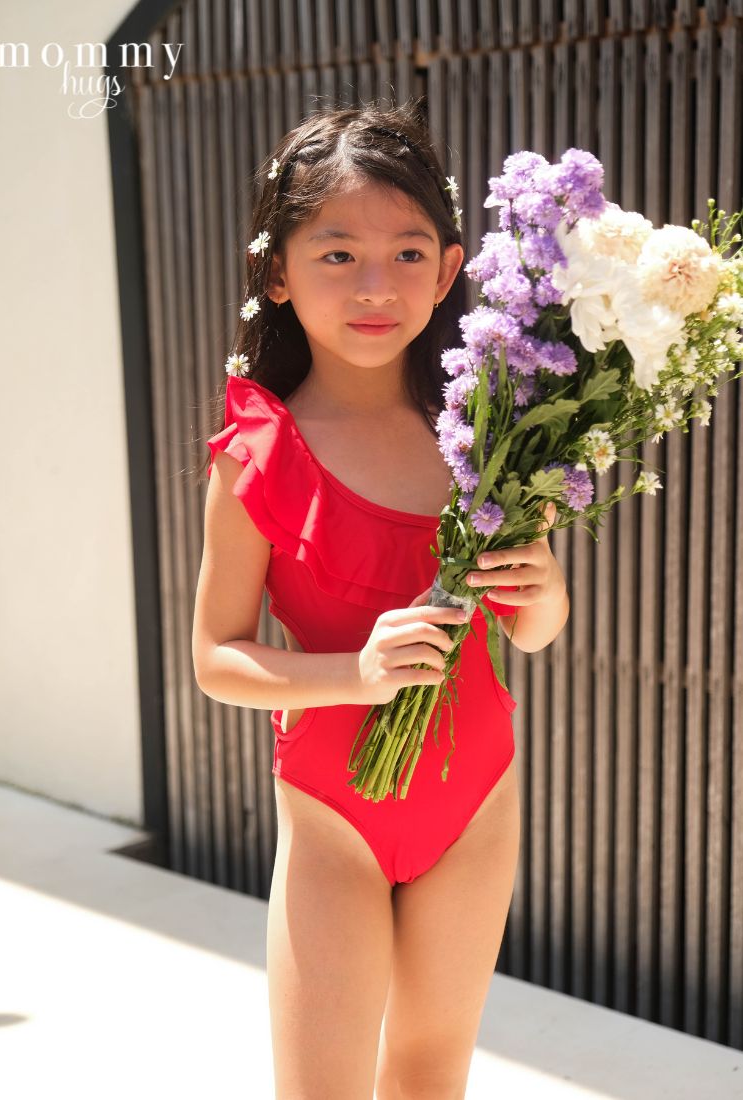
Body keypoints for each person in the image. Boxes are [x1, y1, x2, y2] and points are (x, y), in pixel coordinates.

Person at [192, 99, 569, 1100]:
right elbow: (217, 657)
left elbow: (534, 631)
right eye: (336, 255)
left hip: (477, 799)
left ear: (449, 271)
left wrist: (543, 588)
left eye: (407, 254)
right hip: (331, 818)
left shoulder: (489, 427)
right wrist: (353, 673)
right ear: (278, 272)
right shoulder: (257, 453)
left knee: (430, 1075)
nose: (375, 287)